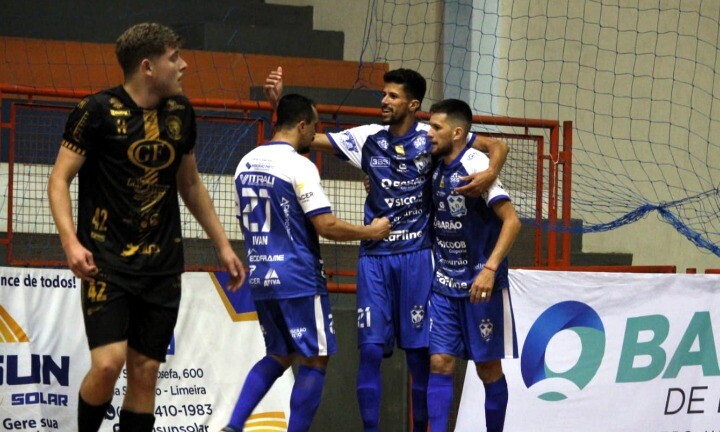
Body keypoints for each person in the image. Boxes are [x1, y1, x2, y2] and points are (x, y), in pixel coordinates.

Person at [264, 66, 509, 432]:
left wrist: (492, 172)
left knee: (421, 358)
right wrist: (279, 106)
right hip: (374, 258)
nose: (383, 100)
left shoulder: (432, 139)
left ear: (413, 104)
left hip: (419, 257)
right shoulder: (368, 138)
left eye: (392, 96)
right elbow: (303, 139)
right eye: (384, 94)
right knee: (371, 350)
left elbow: (496, 145)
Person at [47, 23, 246, 432]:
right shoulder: (95, 111)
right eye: (174, 57)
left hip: (162, 263)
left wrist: (223, 246)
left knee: (146, 371)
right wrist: (69, 242)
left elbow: (189, 183)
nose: (184, 65)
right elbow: (58, 180)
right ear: (148, 66)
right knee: (108, 364)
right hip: (106, 261)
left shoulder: (181, 112)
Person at [221, 93, 391, 432]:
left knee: (279, 355)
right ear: (301, 125)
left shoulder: (246, 162)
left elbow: (243, 220)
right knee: (315, 358)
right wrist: (370, 231)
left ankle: (234, 426)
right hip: (297, 276)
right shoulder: (299, 165)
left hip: (261, 273)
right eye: (313, 127)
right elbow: (326, 225)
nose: (315, 134)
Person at [425, 99, 521, 432]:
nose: (429, 133)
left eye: (436, 127)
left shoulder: (475, 163)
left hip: (481, 285)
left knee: (487, 369)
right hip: (444, 282)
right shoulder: (433, 164)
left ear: (457, 132)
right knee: (439, 362)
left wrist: (490, 269)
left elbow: (512, 222)